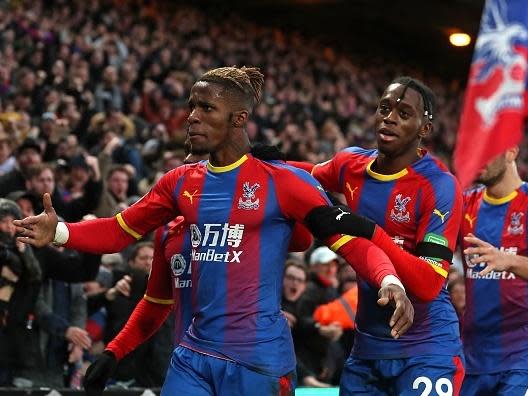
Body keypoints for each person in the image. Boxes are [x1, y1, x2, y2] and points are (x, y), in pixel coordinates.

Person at [15, 66, 413, 396]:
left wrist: (389, 279)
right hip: (192, 356)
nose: (192, 116)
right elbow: (120, 230)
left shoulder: (284, 182)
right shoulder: (178, 182)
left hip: (257, 363)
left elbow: (346, 241)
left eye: (206, 107)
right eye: (192, 106)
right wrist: (60, 232)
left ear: (238, 118)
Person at [291, 76, 465, 394]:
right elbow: (303, 175)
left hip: (427, 349)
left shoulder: (439, 186)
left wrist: (372, 233)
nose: (390, 117)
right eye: (385, 108)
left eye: (404, 113)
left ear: (424, 129)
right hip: (367, 349)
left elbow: (428, 284)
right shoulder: (351, 164)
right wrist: (254, 163)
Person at [459, 146, 528, 395]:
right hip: (472, 357)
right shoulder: (465, 204)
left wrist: (510, 261)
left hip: (521, 358)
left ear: (510, 152)